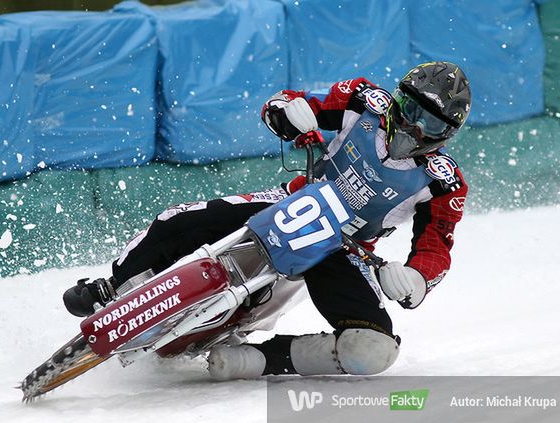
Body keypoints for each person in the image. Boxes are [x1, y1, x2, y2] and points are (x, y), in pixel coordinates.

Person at [63, 61, 471, 379]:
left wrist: (417, 278)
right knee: (179, 218)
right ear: (398, 97)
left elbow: (436, 246)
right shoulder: (362, 99)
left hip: (343, 249)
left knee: (374, 348)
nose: (414, 125)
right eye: (412, 108)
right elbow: (288, 102)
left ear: (447, 133)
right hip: (290, 201)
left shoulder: (443, 182)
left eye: (431, 121)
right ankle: (112, 286)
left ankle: (258, 359)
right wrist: (287, 112)